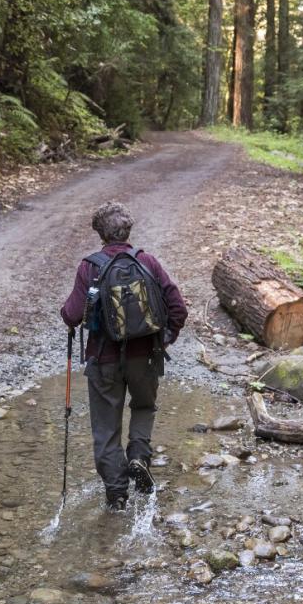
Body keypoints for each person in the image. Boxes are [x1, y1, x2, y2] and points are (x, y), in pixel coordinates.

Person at [59, 202, 188, 510]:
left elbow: (72, 314)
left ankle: (117, 496)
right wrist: (164, 340)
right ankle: (139, 457)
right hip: (146, 356)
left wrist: (66, 313)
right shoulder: (147, 262)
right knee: (144, 406)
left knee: (106, 429)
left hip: (103, 360)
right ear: (128, 230)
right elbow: (178, 309)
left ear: (100, 234)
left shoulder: (89, 266)